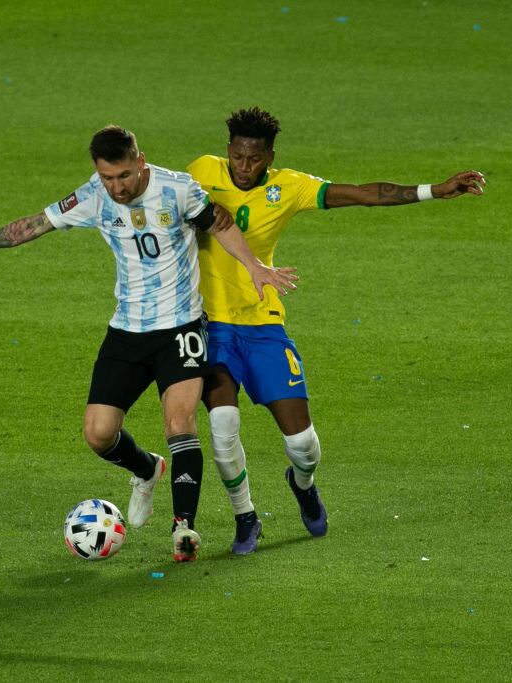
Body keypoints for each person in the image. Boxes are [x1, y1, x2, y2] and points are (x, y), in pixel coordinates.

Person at [0, 125, 297, 561]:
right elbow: (34, 225)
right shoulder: (93, 196)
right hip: (127, 331)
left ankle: (183, 529)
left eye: (122, 176)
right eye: (107, 178)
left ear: (139, 162)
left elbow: (220, 222)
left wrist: (254, 266)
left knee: (180, 423)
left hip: (181, 328)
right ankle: (146, 469)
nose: (116, 187)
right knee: (99, 435)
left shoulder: (177, 189)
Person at [186, 107, 486, 554]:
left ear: (269, 156)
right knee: (223, 427)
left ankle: (302, 484)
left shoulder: (289, 187)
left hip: (263, 324)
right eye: (237, 157)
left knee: (302, 445)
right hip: (211, 326)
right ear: (228, 150)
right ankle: (245, 517)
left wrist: (434, 191)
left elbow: (363, 194)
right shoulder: (201, 171)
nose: (244, 167)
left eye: (254, 159)